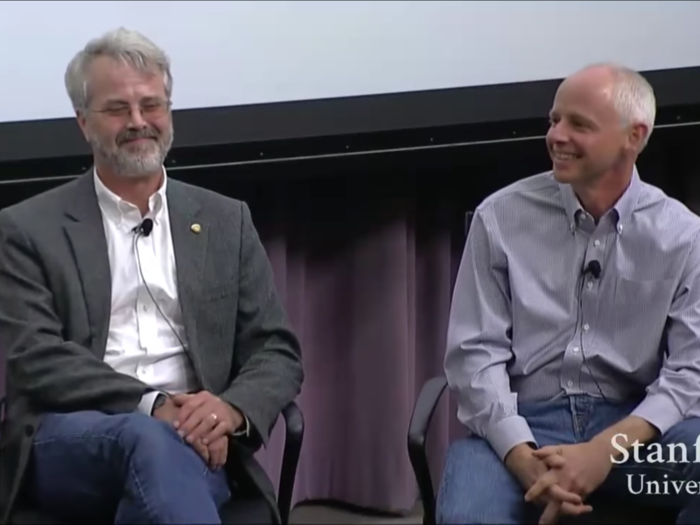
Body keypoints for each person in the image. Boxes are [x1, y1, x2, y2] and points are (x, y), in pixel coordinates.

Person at [0, 28, 303, 524]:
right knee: (148, 438)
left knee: (159, 472)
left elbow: (275, 349)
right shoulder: (28, 228)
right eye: (117, 109)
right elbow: (37, 359)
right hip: (73, 438)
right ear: (83, 123)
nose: (138, 122)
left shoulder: (227, 220)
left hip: (194, 438)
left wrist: (227, 412)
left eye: (151, 105)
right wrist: (152, 405)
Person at [437, 62, 700, 524]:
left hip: (635, 434)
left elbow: (688, 373)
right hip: (521, 425)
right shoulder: (499, 217)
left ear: (633, 136)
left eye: (579, 124)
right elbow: (475, 355)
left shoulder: (683, 236)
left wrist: (603, 451)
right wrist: (525, 460)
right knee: (468, 517)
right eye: (554, 120)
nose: (556, 136)